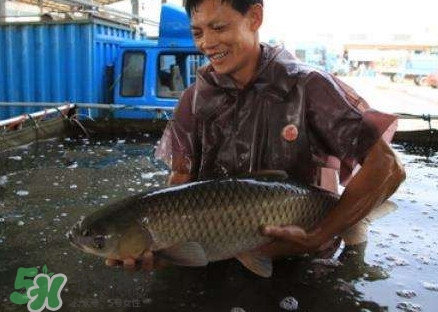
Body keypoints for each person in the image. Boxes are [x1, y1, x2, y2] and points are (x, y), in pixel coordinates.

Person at [106, 0, 405, 270]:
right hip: (220, 259)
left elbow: (388, 168)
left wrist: (318, 236)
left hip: (306, 261)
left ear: (255, 17)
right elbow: (180, 183)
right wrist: (160, 245)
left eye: (218, 27)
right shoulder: (191, 100)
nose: (207, 43)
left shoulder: (310, 86)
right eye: (197, 33)